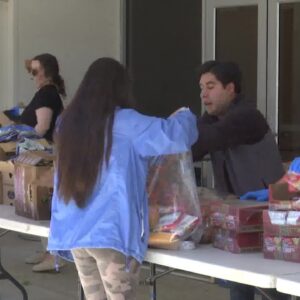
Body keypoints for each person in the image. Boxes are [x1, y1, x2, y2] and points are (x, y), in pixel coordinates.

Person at [47, 57, 198, 300]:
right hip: (111, 234)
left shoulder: (67, 122)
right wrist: (186, 115)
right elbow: (177, 135)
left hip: (74, 230)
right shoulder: (128, 122)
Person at [192, 60, 288, 300]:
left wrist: (181, 126)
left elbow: (208, 139)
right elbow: (192, 149)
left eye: (211, 86)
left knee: (272, 286)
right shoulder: (211, 120)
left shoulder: (247, 117)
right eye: (201, 88)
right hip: (239, 216)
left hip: (271, 213)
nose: (204, 94)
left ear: (230, 88)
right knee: (239, 280)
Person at [21, 53, 65, 272]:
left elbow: (42, 127)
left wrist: (18, 136)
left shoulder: (47, 95)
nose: (33, 75)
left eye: (36, 71)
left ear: (47, 72)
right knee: (39, 205)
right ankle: (47, 251)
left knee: (44, 204)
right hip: (42, 157)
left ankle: (53, 256)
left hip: (45, 157)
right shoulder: (45, 93)